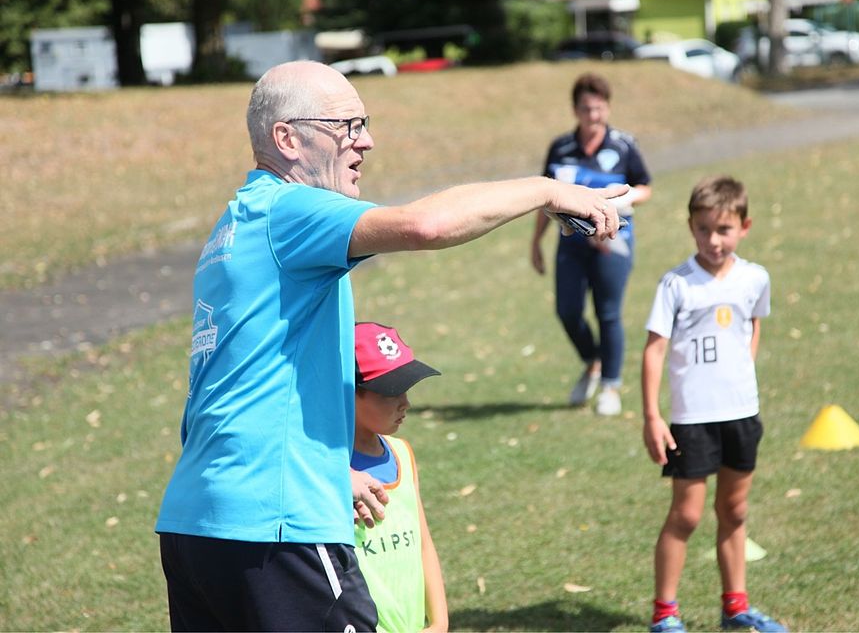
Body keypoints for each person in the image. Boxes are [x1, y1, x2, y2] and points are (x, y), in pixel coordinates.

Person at [155, 60, 626, 632]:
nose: (366, 141)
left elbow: (237, 386)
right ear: (288, 139)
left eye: (364, 123)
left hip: (198, 524)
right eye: (346, 126)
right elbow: (424, 226)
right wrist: (547, 188)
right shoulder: (290, 209)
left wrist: (325, 469)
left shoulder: (236, 224)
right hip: (273, 529)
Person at [640, 176, 785, 633]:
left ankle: (735, 608)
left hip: (741, 414)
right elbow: (654, 349)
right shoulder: (676, 284)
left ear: (744, 227)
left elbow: (752, 328)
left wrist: (742, 374)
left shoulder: (755, 278)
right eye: (703, 229)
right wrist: (651, 416)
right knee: (686, 515)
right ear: (691, 227)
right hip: (691, 420)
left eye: (723, 230)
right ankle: (665, 615)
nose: (713, 240)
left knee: (735, 511)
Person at [531, 72, 652, 417]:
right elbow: (545, 196)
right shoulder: (560, 148)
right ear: (575, 110)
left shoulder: (624, 146)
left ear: (607, 108)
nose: (593, 116)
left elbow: (645, 186)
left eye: (599, 108)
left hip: (613, 242)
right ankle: (592, 363)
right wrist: (536, 242)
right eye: (586, 109)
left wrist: (624, 201)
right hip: (570, 244)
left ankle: (611, 386)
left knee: (608, 313)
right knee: (567, 311)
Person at [351, 322, 447, 633]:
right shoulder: (327, 471)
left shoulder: (402, 453)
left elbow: (423, 544)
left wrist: (439, 622)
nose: (405, 402)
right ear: (348, 393)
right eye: (390, 392)